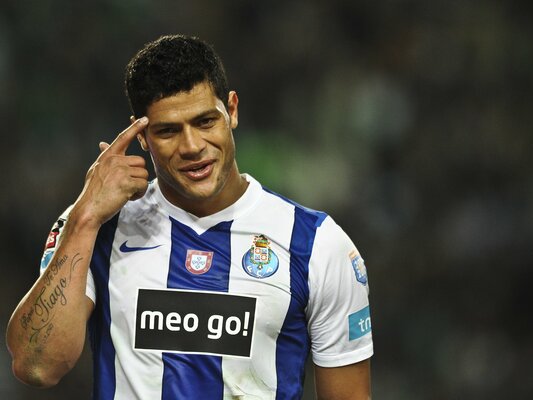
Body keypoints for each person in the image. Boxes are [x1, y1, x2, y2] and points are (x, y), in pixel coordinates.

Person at [6, 34, 373, 399]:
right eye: (168, 131)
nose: (192, 147)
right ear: (143, 136)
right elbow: (36, 366)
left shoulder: (317, 244)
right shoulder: (99, 226)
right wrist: (84, 216)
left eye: (204, 122)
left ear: (232, 110)